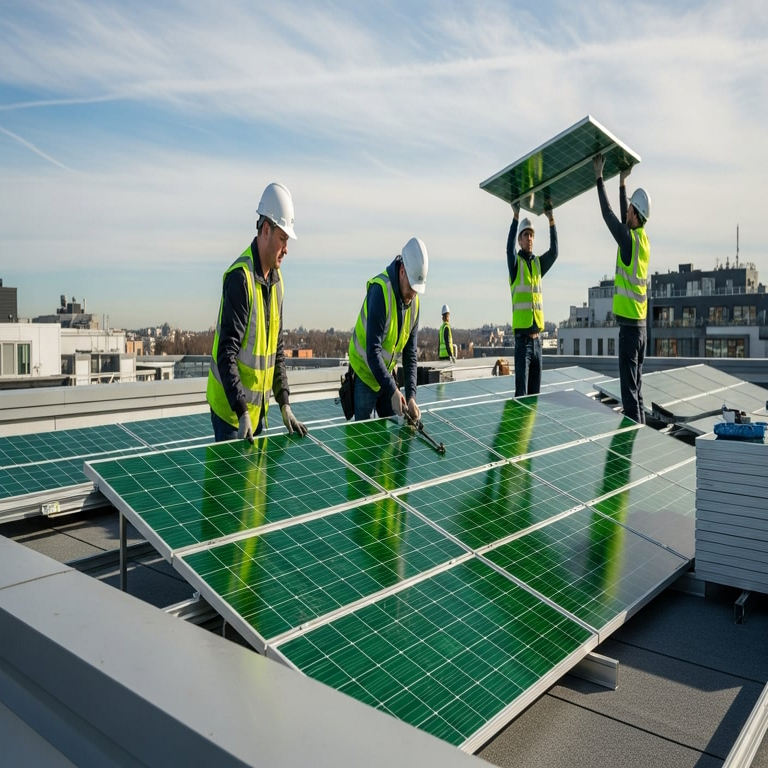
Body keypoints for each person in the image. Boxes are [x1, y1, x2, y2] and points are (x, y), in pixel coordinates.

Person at [206, 182, 308, 443]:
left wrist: (284, 403)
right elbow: (226, 353)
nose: (287, 249)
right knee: (231, 472)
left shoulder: (277, 282)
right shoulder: (240, 279)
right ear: (266, 230)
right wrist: (241, 411)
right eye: (283, 239)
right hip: (231, 415)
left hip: (257, 413)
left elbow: (277, 350)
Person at [593, 154, 651, 423]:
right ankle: (643, 436)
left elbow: (608, 215)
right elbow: (622, 220)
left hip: (629, 332)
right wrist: (622, 183)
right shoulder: (642, 240)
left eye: (629, 210)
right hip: (641, 330)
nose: (625, 212)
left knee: (629, 397)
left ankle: (634, 442)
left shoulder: (628, 240)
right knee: (637, 392)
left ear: (635, 216)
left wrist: (599, 178)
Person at [348, 237, 428, 422]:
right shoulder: (380, 291)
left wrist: (411, 397)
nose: (413, 294)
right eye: (411, 287)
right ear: (402, 271)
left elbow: (410, 354)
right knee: (364, 434)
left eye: (417, 290)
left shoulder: (414, 303)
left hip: (386, 375)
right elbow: (373, 351)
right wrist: (393, 390)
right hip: (365, 374)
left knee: (389, 433)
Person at [507, 200, 558, 396]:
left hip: (538, 344)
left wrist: (551, 220)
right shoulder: (515, 265)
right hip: (522, 344)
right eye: (525, 235)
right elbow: (508, 250)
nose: (529, 239)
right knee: (522, 396)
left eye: (531, 235)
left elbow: (554, 252)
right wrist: (515, 217)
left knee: (535, 397)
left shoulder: (537, 264)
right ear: (520, 240)